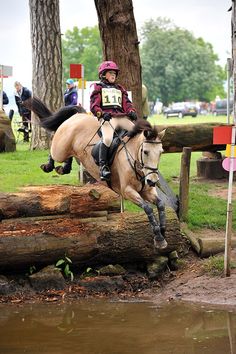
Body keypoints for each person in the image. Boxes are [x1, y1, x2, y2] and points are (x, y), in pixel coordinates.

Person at [90, 60, 137, 181]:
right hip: (108, 118)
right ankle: (103, 166)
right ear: (103, 75)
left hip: (121, 117)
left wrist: (131, 111)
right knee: (107, 139)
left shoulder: (120, 88)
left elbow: (127, 103)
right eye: (110, 73)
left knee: (137, 132)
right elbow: (94, 106)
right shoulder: (98, 87)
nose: (113, 75)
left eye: (114, 73)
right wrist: (101, 113)